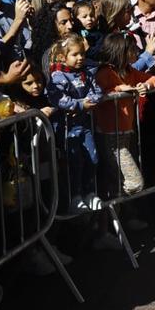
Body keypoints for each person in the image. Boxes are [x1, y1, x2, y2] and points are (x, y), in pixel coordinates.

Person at [92, 32, 155, 196]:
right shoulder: (105, 72)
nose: (137, 51)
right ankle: (110, 200)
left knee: (116, 178)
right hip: (110, 137)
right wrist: (118, 89)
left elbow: (154, 78)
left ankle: (116, 210)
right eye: (132, 49)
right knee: (134, 182)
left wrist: (146, 85)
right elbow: (97, 93)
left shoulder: (129, 71)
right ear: (121, 52)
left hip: (126, 133)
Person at [46, 35, 102, 211]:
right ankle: (75, 197)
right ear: (63, 56)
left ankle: (90, 193)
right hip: (67, 129)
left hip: (85, 125)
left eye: (82, 54)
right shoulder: (57, 75)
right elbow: (57, 98)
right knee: (74, 162)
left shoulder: (85, 72)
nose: (80, 58)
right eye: (75, 55)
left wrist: (88, 102)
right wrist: (79, 104)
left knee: (92, 158)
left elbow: (97, 91)